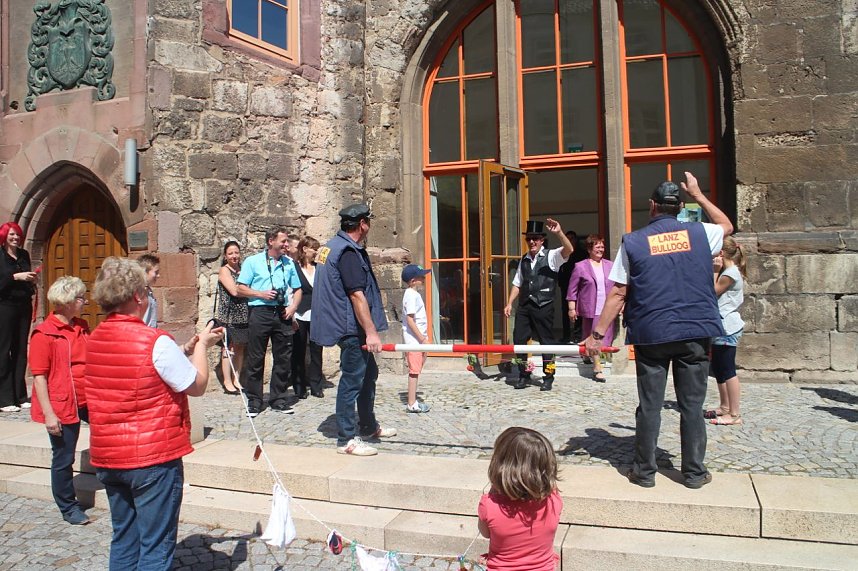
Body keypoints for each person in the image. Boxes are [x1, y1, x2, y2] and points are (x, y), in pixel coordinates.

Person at [585, 172, 733, 489]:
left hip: (652, 332)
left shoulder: (633, 241)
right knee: (692, 406)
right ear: (679, 207)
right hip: (694, 331)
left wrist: (597, 335)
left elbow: (619, 293)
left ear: (652, 206)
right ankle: (694, 473)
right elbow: (727, 225)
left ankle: (645, 471)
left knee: (650, 406)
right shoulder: (701, 233)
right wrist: (698, 195)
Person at [85, 257, 223, 570]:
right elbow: (197, 385)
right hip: (151, 458)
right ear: (137, 296)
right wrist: (203, 346)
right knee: (155, 548)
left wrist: (183, 350)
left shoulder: (94, 339)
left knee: (124, 539)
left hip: (109, 454)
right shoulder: (154, 341)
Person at [311, 203, 396, 456]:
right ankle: (346, 439)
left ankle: (368, 425)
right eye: (368, 221)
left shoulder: (331, 247)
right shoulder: (347, 252)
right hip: (351, 328)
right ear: (362, 224)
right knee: (352, 381)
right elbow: (357, 295)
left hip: (346, 324)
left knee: (368, 375)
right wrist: (371, 332)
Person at [29, 276, 90, 525]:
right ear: (66, 301)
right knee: (64, 457)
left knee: (112, 436)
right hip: (62, 401)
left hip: (89, 397)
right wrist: (49, 414)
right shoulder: (44, 333)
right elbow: (39, 377)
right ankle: (68, 507)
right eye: (81, 297)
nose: (85, 301)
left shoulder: (82, 326)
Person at [236, 227, 302, 417]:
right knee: (256, 358)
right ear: (271, 241)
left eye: (287, 241)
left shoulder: (289, 263)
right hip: (260, 312)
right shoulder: (253, 261)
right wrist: (261, 294)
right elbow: (240, 288)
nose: (286, 244)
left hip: (282, 312)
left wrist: (293, 308)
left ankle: (278, 398)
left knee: (283, 358)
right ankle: (254, 401)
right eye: (283, 241)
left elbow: (297, 290)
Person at [503, 218, 574, 391]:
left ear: (542, 240)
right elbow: (517, 283)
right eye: (529, 238)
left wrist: (559, 232)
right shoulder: (524, 259)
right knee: (519, 340)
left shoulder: (552, 256)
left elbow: (569, 249)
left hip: (544, 305)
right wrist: (509, 303)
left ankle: (548, 376)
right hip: (525, 306)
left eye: (535, 238)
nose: (532, 241)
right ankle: (524, 374)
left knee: (546, 342)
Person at [478, 427, 562, 571]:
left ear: (500, 465)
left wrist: (495, 488)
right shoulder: (553, 500)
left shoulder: (489, 504)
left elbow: (485, 533)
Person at [706, 236, 746, 426]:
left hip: (727, 327)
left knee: (728, 369)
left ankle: (735, 414)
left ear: (721, 253)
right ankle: (725, 406)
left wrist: (714, 270)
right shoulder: (729, 271)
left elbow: (711, 292)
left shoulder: (730, 274)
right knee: (719, 368)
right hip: (721, 326)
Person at [566, 234, 616, 382]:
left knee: (603, 337)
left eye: (602, 246)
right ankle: (597, 368)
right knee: (594, 337)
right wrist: (571, 308)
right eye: (597, 246)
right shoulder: (580, 266)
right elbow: (572, 290)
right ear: (589, 249)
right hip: (590, 309)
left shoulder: (610, 265)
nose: (601, 249)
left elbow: (617, 287)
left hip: (607, 309)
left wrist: (621, 304)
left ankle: (588, 354)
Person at [0, 221, 36, 412]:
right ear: (4, 236)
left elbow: (25, 278)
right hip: (5, 306)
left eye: (18, 235)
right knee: (4, 350)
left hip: (23, 305)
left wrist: (31, 280)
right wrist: (15, 277)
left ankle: (20, 396)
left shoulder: (23, 255)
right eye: (12, 234)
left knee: (21, 350)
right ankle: (5, 399)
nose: (15, 238)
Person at [291, 236, 325, 399]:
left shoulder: (319, 268)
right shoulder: (294, 267)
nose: (316, 253)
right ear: (304, 249)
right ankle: (299, 386)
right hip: (299, 313)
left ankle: (316, 385)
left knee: (317, 350)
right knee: (298, 350)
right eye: (314, 249)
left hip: (317, 314)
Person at [215, 241, 249, 394]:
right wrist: (250, 291)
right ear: (225, 256)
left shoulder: (243, 270)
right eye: (230, 253)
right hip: (229, 316)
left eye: (236, 252)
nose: (234, 256)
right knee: (228, 348)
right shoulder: (224, 270)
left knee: (240, 348)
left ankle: (237, 379)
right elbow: (234, 291)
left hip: (243, 315)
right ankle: (227, 381)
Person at [401, 263, 431, 413]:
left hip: (418, 340)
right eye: (421, 277)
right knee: (414, 371)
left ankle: (413, 401)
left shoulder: (413, 294)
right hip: (414, 341)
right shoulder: (411, 295)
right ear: (413, 281)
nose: (424, 278)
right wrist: (422, 339)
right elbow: (410, 320)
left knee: (417, 368)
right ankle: (411, 403)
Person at [557, 230, 585, 344]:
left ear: (576, 240)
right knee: (565, 311)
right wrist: (560, 282)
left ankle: (578, 336)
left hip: (579, 287)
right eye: (567, 238)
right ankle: (566, 336)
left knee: (578, 311)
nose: (570, 240)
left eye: (572, 238)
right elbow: (559, 268)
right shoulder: (562, 253)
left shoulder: (582, 254)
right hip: (565, 286)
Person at [137, 253, 160, 327]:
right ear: (144, 272)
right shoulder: (137, 293)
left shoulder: (149, 291)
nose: (158, 275)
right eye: (156, 272)